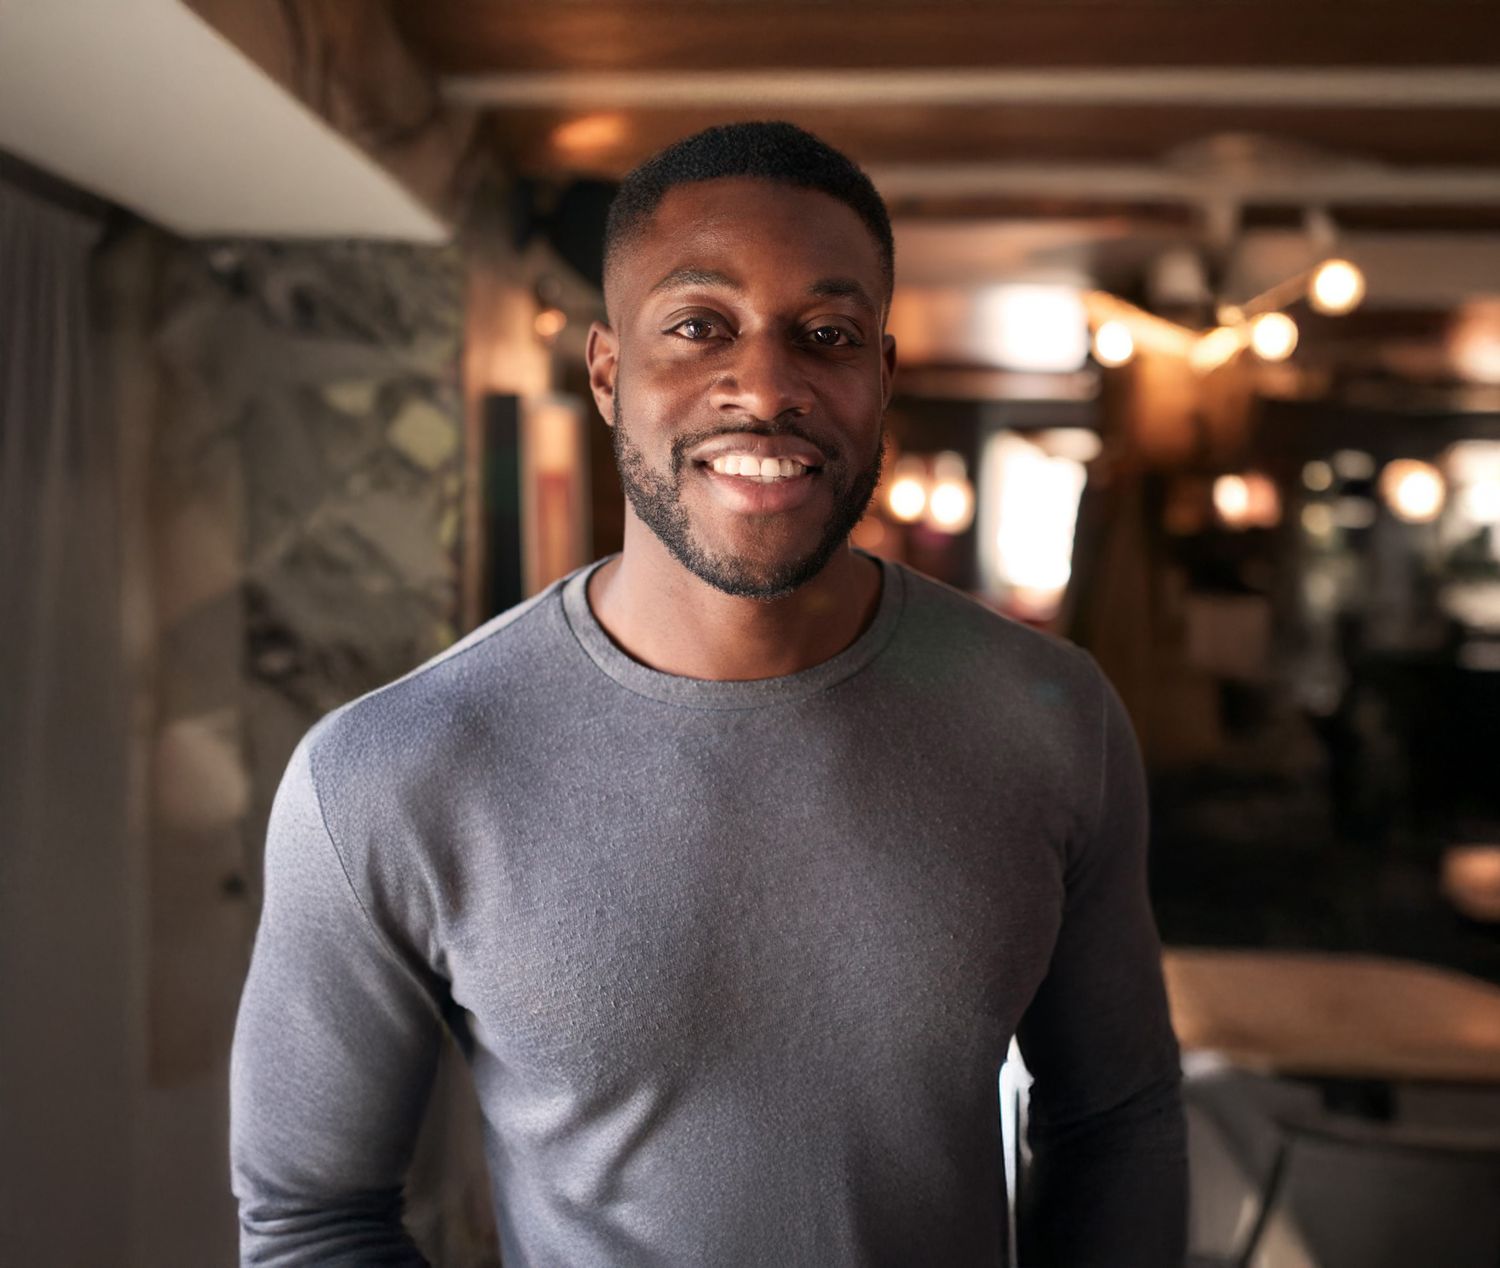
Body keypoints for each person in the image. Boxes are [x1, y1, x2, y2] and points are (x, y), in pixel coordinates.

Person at [231, 121, 1187, 1267]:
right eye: (700, 326)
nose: (768, 385)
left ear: (880, 375)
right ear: (607, 373)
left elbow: (1114, 1119)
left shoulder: (1051, 717)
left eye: (826, 334)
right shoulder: (390, 768)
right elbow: (312, 1218)